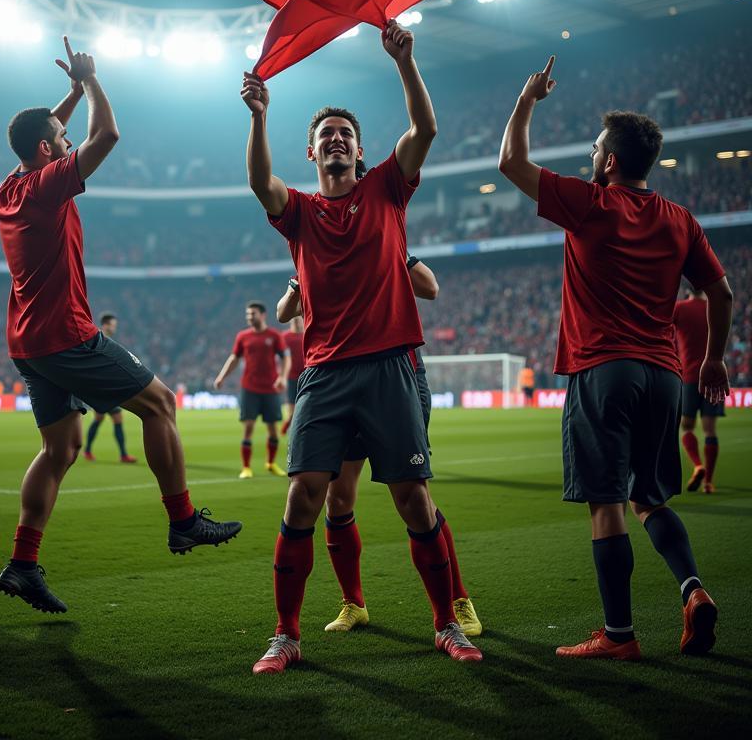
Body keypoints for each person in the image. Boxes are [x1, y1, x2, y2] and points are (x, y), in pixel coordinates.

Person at [243, 20, 482, 676]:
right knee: (303, 499)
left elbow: (424, 132)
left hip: (389, 368)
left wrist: (406, 63)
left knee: (413, 499)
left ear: (359, 148)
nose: (337, 140)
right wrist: (260, 116)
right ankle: (285, 636)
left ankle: (445, 623)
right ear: (313, 154)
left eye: (346, 133)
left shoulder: (386, 188)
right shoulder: (296, 211)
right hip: (322, 373)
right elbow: (260, 182)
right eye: (326, 136)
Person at [0, 38, 241, 616]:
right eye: (59, 140)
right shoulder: (47, 183)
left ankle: (23, 564)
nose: (66, 142)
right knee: (160, 403)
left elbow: (49, 130)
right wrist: (97, 83)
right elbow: (107, 137)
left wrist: (73, 91)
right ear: (44, 151)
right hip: (65, 332)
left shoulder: (11, 185)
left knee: (59, 449)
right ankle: (183, 521)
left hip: (27, 341)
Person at [498, 55, 732, 661]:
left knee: (606, 503)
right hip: (662, 373)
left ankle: (619, 636)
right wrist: (711, 361)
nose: (592, 155)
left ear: (608, 161)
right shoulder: (681, 219)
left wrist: (527, 101)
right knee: (650, 497)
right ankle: (693, 588)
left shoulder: (590, 203)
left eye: (596, 148)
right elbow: (721, 292)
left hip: (602, 368)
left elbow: (511, 164)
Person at [276, 256, 482, 638]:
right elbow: (283, 311)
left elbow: (431, 288)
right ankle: (353, 603)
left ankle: (458, 601)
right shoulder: (317, 258)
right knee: (337, 499)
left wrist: (388, 263)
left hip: (397, 371)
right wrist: (303, 280)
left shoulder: (383, 244)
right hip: (339, 374)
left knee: (416, 496)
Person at [213, 302, 290, 478]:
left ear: (263, 315)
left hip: (270, 388)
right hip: (250, 388)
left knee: (273, 429)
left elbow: (285, 357)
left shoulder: (274, 336)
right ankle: (246, 467)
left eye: (252, 314)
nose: (249, 317)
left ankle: (270, 463)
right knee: (248, 427)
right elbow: (234, 358)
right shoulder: (243, 336)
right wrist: (221, 376)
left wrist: (283, 377)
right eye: (248, 314)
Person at [673, 287, 723, 494]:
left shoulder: (679, 308)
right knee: (710, 430)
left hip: (689, 376)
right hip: (714, 376)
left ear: (687, 290)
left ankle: (697, 465)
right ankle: (708, 482)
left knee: (687, 427)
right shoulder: (716, 307)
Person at [82, 314, 137, 463]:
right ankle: (123, 455)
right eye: (113, 325)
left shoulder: (105, 339)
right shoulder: (99, 339)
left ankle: (87, 451)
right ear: (105, 325)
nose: (115, 327)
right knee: (116, 418)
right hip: (100, 387)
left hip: (102, 387)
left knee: (99, 419)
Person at [279, 302, 304, 435]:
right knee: (291, 406)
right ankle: (291, 426)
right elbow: (278, 355)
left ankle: (293, 424)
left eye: (298, 320)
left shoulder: (307, 335)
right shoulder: (284, 337)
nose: (296, 322)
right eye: (294, 320)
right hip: (291, 377)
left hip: (306, 376)